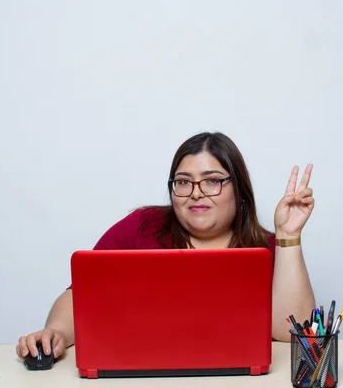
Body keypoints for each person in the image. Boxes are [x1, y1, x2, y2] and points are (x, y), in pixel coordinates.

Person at [16, 131, 316, 361]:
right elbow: (82, 296)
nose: (196, 193)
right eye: (183, 182)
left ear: (239, 191)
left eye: (212, 181)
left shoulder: (265, 247)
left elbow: (294, 332)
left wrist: (288, 236)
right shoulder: (142, 227)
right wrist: (56, 333)